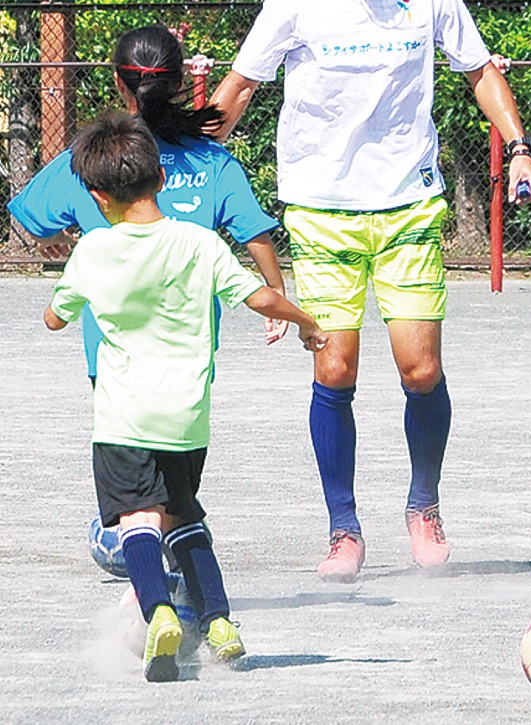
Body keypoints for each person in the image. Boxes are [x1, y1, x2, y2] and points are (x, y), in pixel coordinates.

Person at [208, 0, 531, 581]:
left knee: (421, 369)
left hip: (408, 204)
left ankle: (424, 503)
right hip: (321, 209)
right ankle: (343, 527)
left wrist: (519, 148)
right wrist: (187, 157)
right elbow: (239, 89)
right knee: (336, 364)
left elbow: (480, 69)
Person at [43, 114, 327, 682]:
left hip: (122, 418)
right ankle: (219, 622)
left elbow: (55, 318)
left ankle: (159, 615)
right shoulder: (200, 244)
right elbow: (262, 300)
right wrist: (307, 323)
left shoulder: (93, 252)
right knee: (183, 517)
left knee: (137, 520)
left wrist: (60, 303)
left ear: (98, 196)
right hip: (187, 418)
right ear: (162, 181)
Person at [8, 23, 289, 381]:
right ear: (178, 81)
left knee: (116, 434)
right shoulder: (213, 161)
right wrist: (276, 291)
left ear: (117, 82)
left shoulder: (89, 156)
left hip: (112, 358)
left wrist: (63, 240)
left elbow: (35, 224)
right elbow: (254, 232)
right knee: (185, 438)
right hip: (190, 356)